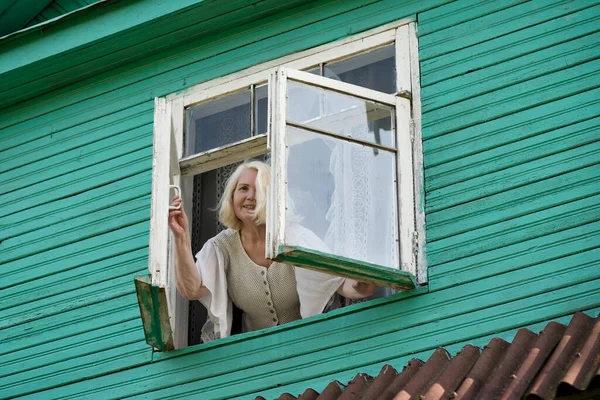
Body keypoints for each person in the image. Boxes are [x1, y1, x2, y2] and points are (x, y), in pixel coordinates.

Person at [168, 160, 376, 341]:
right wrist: (181, 237)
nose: (250, 196)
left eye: (259, 189)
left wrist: (363, 283)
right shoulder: (222, 247)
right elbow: (192, 289)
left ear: (275, 198)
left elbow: (339, 283)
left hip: (310, 346)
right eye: (243, 188)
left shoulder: (296, 239)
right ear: (231, 197)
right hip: (255, 357)